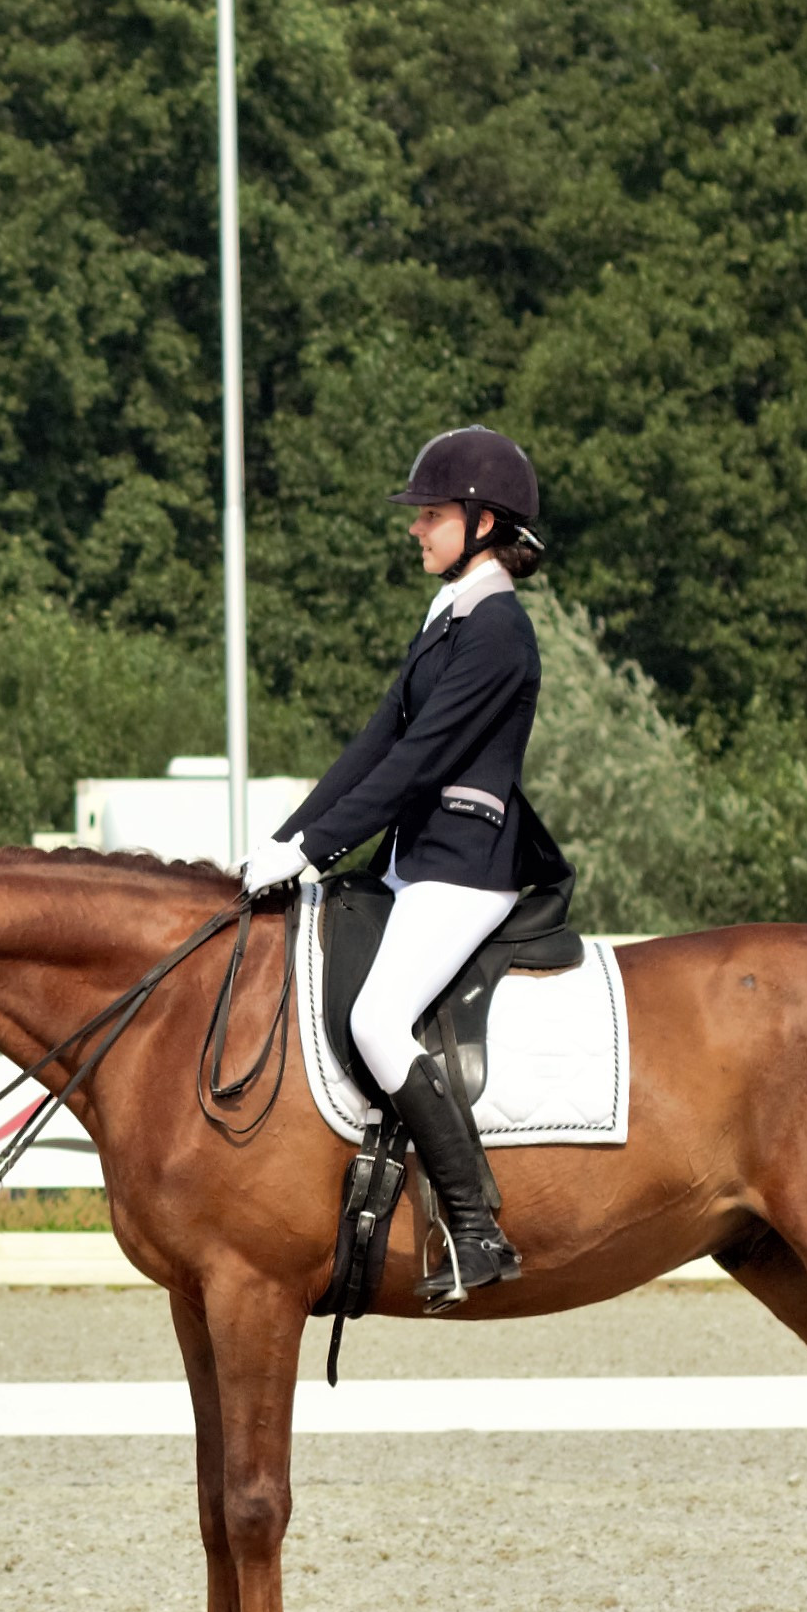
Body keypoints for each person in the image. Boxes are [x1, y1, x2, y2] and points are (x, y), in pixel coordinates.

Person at [240, 426, 557, 1296]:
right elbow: (375, 744)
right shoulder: (448, 618)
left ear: (483, 521)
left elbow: (419, 764)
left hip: (464, 869)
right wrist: (283, 841)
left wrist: (314, 848)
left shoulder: (498, 632)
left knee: (378, 1021)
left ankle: (475, 1226)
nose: (414, 528)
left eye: (429, 514)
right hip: (411, 865)